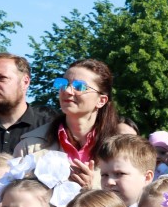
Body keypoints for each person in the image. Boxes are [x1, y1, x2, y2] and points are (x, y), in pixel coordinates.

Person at [15, 58, 121, 189]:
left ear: (101, 101)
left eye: (79, 87)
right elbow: (13, 196)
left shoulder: (121, 150)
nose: (67, 91)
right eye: (64, 84)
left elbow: (131, 199)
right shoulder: (30, 146)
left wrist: (91, 190)